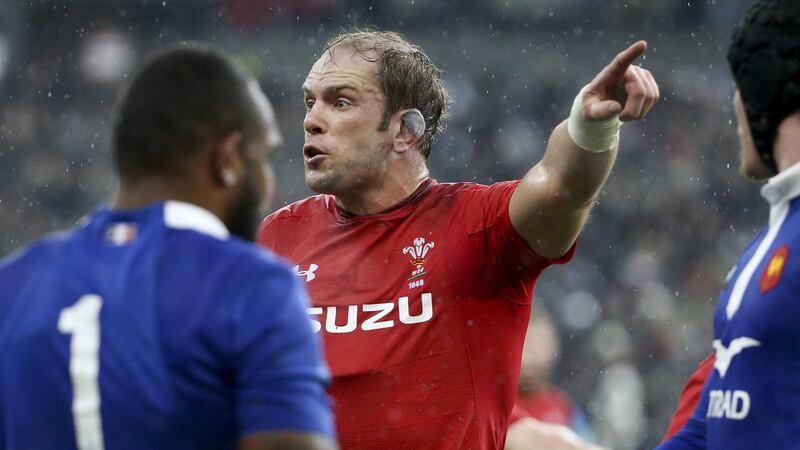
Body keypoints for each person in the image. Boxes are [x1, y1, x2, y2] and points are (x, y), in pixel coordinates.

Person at [257, 29, 658, 449]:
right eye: (310, 101)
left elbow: (561, 187)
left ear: (404, 131)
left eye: (340, 101)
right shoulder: (275, 240)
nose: (311, 120)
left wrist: (590, 125)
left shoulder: (476, 228)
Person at [0, 45, 337, 450]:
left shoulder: (13, 282)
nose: (268, 184)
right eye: (262, 156)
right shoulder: (249, 285)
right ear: (227, 160)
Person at [658, 1, 800, 448]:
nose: (734, 105)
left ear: (764, 89)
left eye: (739, 85)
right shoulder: (771, 236)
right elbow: (704, 430)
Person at [506, 313, 609, 450]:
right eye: (525, 341)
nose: (530, 353)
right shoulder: (492, 406)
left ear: (554, 348)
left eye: (539, 342)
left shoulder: (565, 408)